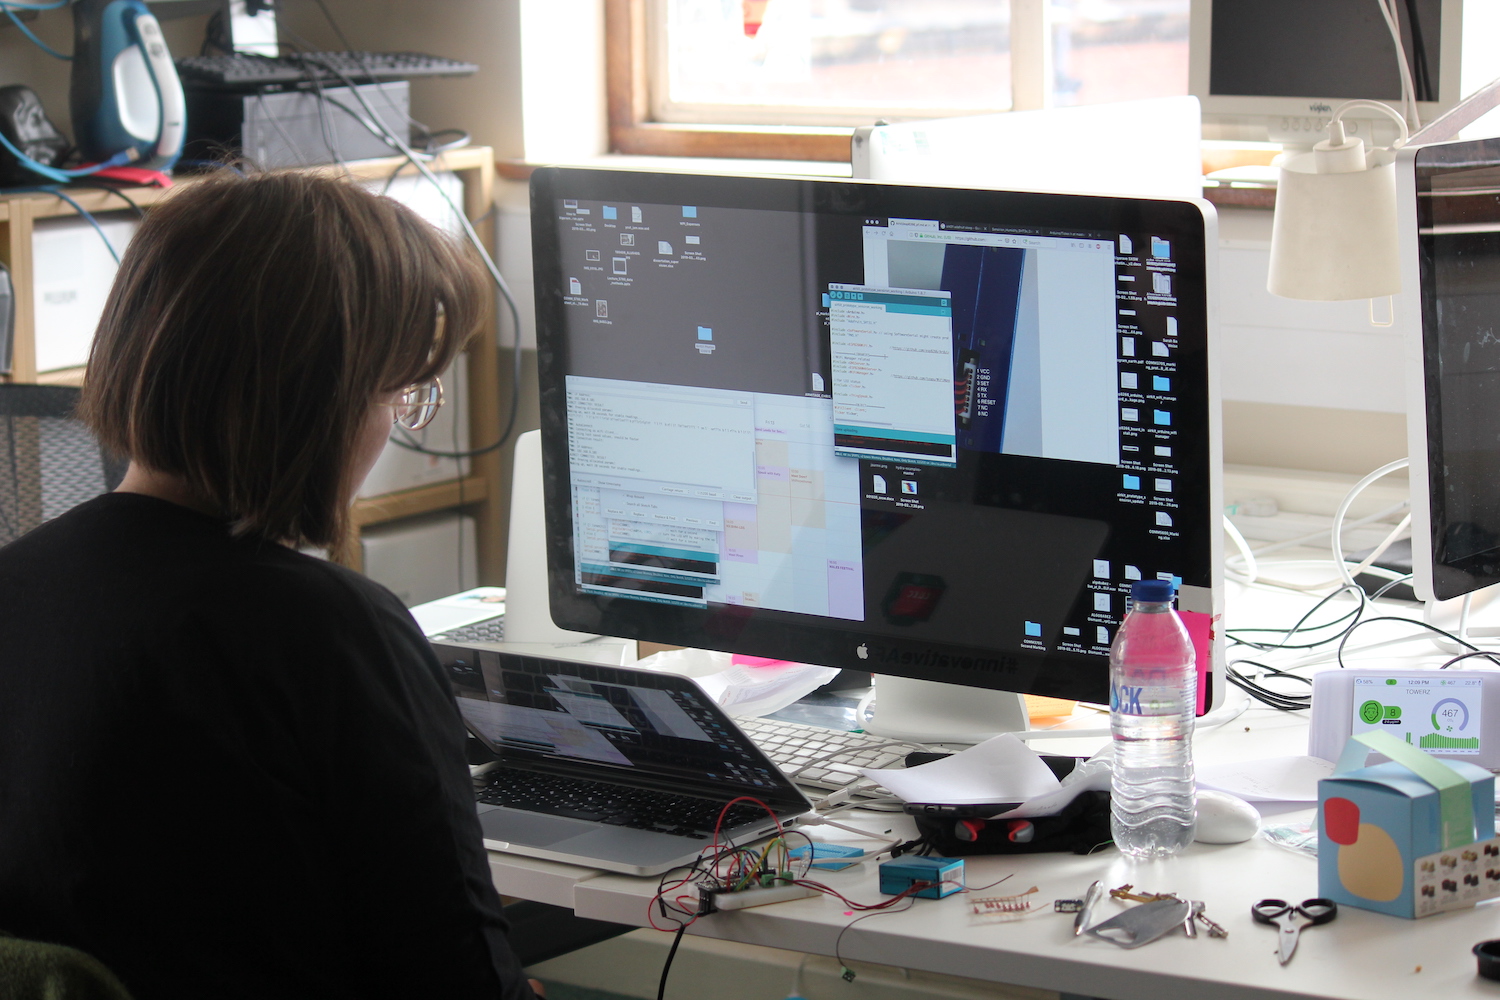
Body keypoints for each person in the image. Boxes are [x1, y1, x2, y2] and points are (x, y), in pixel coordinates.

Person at [0, 170, 542, 1000]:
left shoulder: (18, 583)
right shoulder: (328, 630)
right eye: (399, 391)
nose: (393, 423)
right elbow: (461, 975)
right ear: (321, 399)